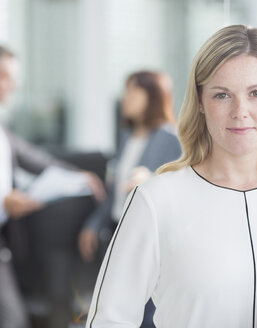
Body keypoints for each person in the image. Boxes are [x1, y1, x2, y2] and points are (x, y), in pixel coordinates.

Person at [86, 25, 257, 328]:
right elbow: (108, 321)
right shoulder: (156, 201)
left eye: (256, 93)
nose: (240, 111)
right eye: (222, 95)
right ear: (199, 100)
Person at [0, 43, 104, 328]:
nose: (14, 86)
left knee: (12, 319)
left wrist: (80, 175)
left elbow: (35, 159)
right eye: (8, 77)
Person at [78, 70, 181, 327]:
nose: (124, 98)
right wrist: (93, 224)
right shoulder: (126, 137)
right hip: (116, 228)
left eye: (131, 91)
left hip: (147, 234)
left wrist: (150, 179)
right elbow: (113, 191)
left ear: (152, 97)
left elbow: (180, 188)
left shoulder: (172, 139)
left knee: (146, 312)